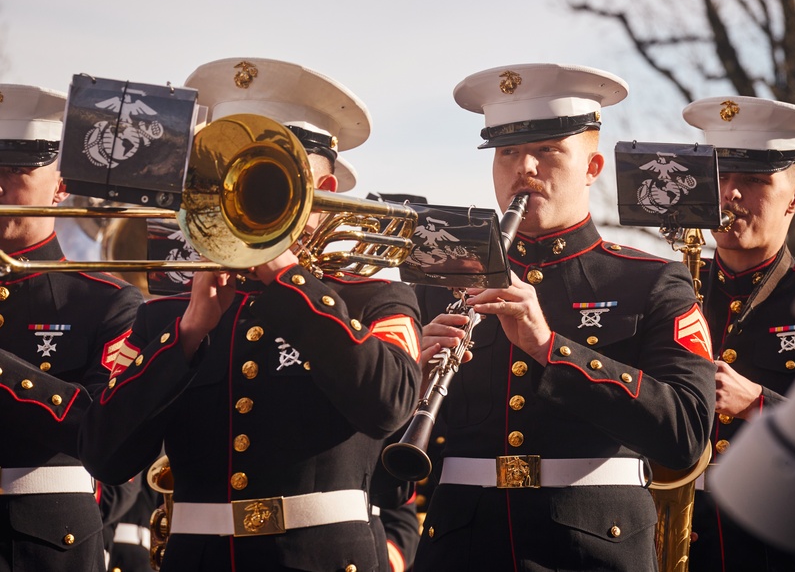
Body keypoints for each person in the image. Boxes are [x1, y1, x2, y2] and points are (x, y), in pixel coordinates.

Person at [78, 58, 422, 572]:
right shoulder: (169, 313)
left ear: (323, 193)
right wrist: (188, 335)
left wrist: (287, 278)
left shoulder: (368, 295)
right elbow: (106, 456)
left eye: (271, 181)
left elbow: (387, 405)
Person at [410, 62, 717, 572]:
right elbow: (384, 473)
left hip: (591, 553)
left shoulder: (650, 280)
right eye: (506, 152)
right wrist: (409, 386)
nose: (523, 168)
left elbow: (684, 436)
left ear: (593, 168)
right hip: (458, 550)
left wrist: (549, 348)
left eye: (547, 151)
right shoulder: (439, 284)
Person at [682, 96, 795, 572]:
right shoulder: (668, 290)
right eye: (721, 177)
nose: (731, 194)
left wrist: (759, 404)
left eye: (754, 181)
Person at [0, 83, 144, 571]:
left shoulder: (106, 301)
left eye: (16, 168)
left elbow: (107, 435)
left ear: (60, 183)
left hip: (42, 544)